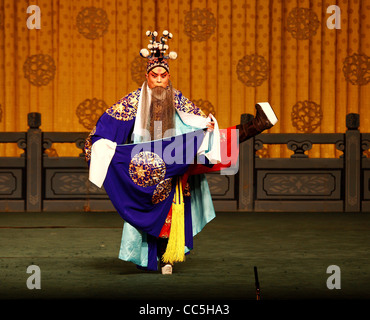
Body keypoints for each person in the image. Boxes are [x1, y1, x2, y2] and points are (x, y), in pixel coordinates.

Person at [84, 30, 277, 275]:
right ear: (146, 77)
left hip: (174, 160)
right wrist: (101, 145)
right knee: (145, 210)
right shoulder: (132, 102)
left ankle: (168, 258)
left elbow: (197, 122)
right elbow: (105, 128)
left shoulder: (178, 100)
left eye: (163, 76)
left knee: (180, 198)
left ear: (169, 77)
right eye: (154, 76)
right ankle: (146, 257)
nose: (158, 80)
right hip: (146, 165)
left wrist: (205, 125)